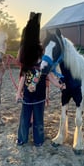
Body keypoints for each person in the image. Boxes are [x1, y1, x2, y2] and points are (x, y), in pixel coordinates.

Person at [15, 12, 65, 147]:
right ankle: (22, 138)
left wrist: (60, 86)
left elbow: (50, 77)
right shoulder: (28, 64)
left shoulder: (44, 65)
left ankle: (38, 140)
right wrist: (18, 92)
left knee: (39, 119)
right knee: (24, 118)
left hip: (40, 97)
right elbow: (22, 78)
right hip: (27, 96)